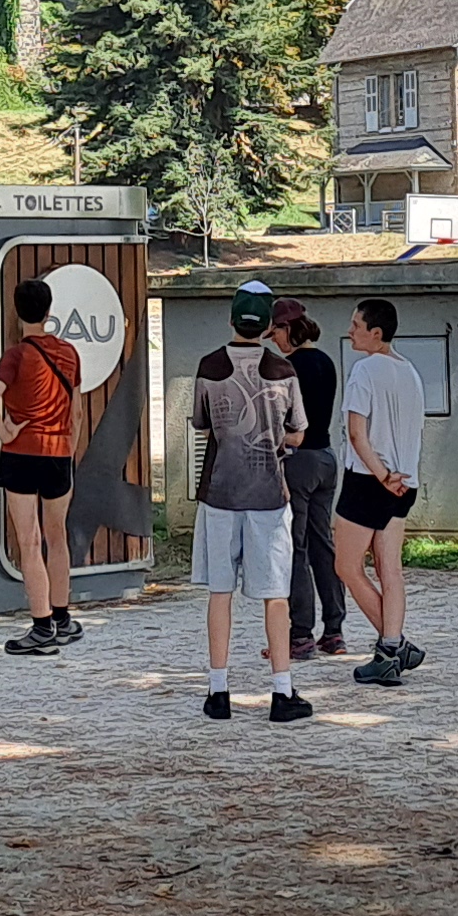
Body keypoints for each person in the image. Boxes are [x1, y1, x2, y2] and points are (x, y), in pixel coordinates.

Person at [186, 281, 311, 722]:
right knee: (275, 594)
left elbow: (203, 424)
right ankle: (282, 691)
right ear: (267, 326)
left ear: (232, 319)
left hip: (219, 494)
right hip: (269, 497)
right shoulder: (283, 371)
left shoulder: (209, 366)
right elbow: (298, 431)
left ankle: (219, 691)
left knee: (221, 592)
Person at [0, 277, 83, 656]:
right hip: (59, 453)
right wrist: (67, 450)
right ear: (48, 310)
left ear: (16, 310)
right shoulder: (69, 353)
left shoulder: (16, 355)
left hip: (22, 453)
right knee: (57, 536)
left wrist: (5, 432)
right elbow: (76, 409)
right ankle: (63, 618)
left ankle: (41, 628)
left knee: (29, 540)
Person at [336, 298, 428, 687]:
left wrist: (381, 473)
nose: (351, 330)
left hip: (370, 479)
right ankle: (391, 647)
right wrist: (395, 476)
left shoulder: (364, 370)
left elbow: (357, 433)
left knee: (347, 567)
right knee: (390, 569)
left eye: (357, 325)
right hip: (405, 481)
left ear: (377, 333)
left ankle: (393, 647)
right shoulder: (410, 372)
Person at [268, 298, 349, 661]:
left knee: (295, 548)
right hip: (327, 459)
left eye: (276, 333)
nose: (273, 341)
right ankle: (334, 630)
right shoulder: (327, 362)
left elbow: (284, 421)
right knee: (323, 546)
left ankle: (300, 633)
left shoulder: (287, 368)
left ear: (290, 329)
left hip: (298, 462)